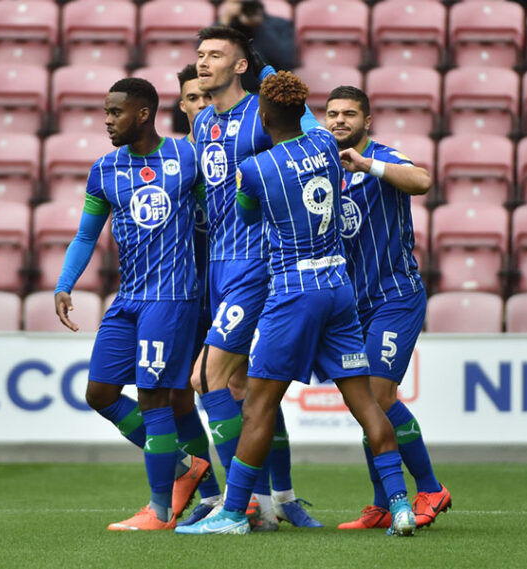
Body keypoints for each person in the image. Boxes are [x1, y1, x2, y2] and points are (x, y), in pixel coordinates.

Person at [176, 71, 417, 537]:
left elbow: (247, 215)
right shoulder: (326, 143)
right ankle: (400, 505)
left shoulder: (255, 169)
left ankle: (234, 513)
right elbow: (311, 126)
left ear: (264, 120)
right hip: (339, 287)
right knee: (366, 403)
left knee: (257, 405)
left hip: (293, 292)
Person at [54, 77, 210, 531]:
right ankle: (183, 466)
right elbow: (86, 236)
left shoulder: (187, 156)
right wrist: (65, 283)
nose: (107, 121)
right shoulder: (104, 169)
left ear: (143, 114)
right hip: (128, 299)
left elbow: (215, 219)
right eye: (105, 112)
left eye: (115, 112)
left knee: (154, 397)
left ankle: (160, 511)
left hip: (172, 296)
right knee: (99, 394)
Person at [190, 25, 321, 530]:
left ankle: (242, 503)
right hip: (219, 263)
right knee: (245, 386)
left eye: (215, 55)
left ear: (240, 66)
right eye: (200, 54)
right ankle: (271, 501)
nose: (203, 62)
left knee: (207, 377)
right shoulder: (204, 121)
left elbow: (309, 148)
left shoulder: (260, 115)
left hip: (256, 261)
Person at [325, 86, 452, 530]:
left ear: (367, 121)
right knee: (367, 403)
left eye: (349, 114)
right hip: (350, 304)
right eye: (333, 114)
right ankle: (382, 503)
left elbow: (422, 181)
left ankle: (431, 488)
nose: (339, 121)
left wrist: (368, 166)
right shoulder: (321, 165)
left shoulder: (383, 157)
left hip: (395, 296)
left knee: (378, 396)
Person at [169, 63, 225, 526]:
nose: (202, 105)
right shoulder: (172, 160)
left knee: (249, 392)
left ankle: (269, 497)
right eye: (193, 98)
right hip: (185, 294)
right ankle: (209, 496)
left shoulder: (240, 150)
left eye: (207, 96)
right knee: (178, 397)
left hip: (232, 287)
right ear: (182, 105)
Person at [216, 1, 296, 92]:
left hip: (271, 91)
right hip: (232, 92)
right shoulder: (228, 27)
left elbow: (286, 60)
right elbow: (208, 54)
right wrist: (224, 22)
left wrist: (260, 26)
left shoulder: (280, 25)